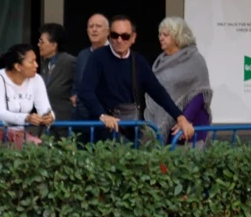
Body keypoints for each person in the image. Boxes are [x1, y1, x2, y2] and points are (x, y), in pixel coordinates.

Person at [77, 15, 194, 143]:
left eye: (125, 36)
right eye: (115, 35)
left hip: (132, 128)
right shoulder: (97, 58)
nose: (119, 40)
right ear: (109, 36)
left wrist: (180, 117)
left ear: (133, 38)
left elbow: (158, 92)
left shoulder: (139, 61)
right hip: (105, 130)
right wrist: (103, 115)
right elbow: (85, 91)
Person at [145, 16, 212, 145]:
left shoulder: (195, 59)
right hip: (167, 125)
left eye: (166, 35)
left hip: (189, 127)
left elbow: (200, 94)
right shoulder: (160, 62)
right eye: (160, 34)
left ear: (178, 37)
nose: (161, 38)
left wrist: (184, 121)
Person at [0, 43, 54, 147]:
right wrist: (27, 118)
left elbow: (45, 109)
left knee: (38, 148)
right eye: (31, 62)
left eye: (36, 61)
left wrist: (48, 117)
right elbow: (0, 113)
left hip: (19, 134)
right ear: (18, 66)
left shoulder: (37, 80)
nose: (36, 65)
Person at [37, 23, 76, 124]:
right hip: (48, 120)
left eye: (42, 42)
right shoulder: (45, 63)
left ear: (54, 45)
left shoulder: (69, 61)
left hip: (64, 120)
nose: (38, 45)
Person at [72, 13, 109, 123]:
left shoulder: (114, 53)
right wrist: (74, 97)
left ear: (107, 31)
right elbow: (76, 84)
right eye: (91, 26)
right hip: (83, 118)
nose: (94, 29)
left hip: (108, 118)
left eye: (98, 26)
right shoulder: (82, 55)